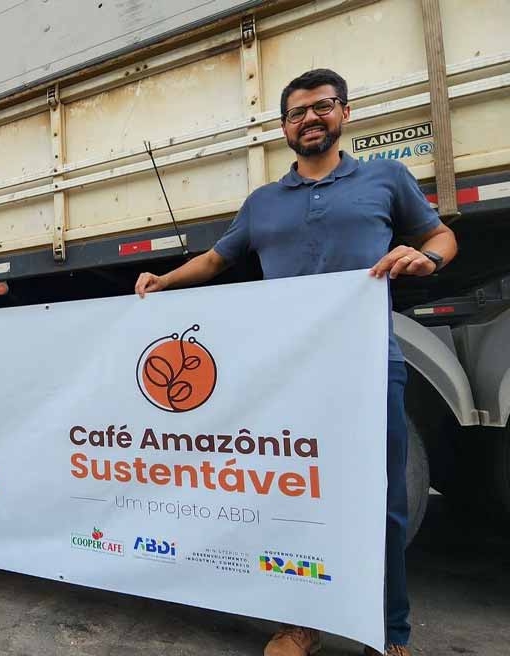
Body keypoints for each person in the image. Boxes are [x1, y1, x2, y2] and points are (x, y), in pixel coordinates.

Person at [134, 69, 456, 656]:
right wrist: (163, 281)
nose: (309, 118)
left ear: (344, 113)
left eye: (322, 107)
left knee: (380, 502)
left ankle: (389, 632)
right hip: (289, 378)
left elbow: (441, 237)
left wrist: (425, 257)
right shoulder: (262, 202)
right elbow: (216, 259)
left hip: (367, 367)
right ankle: (297, 622)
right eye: (296, 112)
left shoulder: (387, 178)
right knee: (293, 501)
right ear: (284, 127)